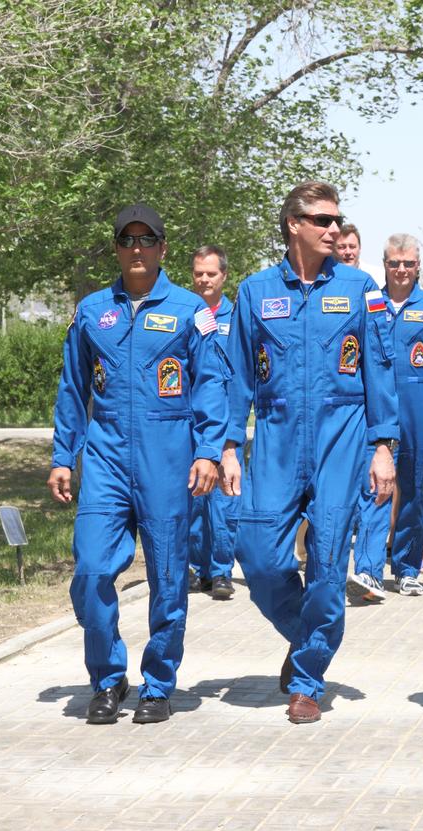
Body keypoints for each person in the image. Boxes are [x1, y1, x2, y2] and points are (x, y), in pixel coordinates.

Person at [220, 181, 398, 724]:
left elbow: (378, 368)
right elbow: (236, 376)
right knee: (258, 554)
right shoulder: (254, 292)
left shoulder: (360, 287)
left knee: (325, 565)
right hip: (275, 435)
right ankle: (307, 639)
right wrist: (227, 444)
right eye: (322, 220)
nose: (334, 230)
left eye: (337, 221)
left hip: (341, 435)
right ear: (294, 224)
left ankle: (306, 681)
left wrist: (382, 445)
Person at [49, 204, 229, 725]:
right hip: (105, 456)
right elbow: (72, 388)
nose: (136, 248)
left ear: (162, 248)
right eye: (127, 240)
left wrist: (207, 451)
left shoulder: (191, 310)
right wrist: (64, 456)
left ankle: (157, 684)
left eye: (146, 239)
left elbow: (212, 384)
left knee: (169, 577)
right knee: (90, 570)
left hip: (168, 457)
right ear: (117, 248)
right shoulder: (91, 312)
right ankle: (107, 679)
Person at [349, 235, 423, 598]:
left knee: (416, 486)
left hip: (420, 406)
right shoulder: (369, 304)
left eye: (408, 264)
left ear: (418, 267)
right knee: (375, 486)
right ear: (385, 265)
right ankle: (367, 570)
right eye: (394, 263)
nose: (401, 270)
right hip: (378, 407)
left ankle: (408, 569)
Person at [188, 245, 238, 601]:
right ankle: (194, 568)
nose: (204, 279)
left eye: (211, 273)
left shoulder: (238, 318)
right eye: (199, 273)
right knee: (192, 494)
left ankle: (221, 571)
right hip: (190, 419)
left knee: (223, 498)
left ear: (224, 276)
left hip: (227, 419)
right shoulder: (184, 314)